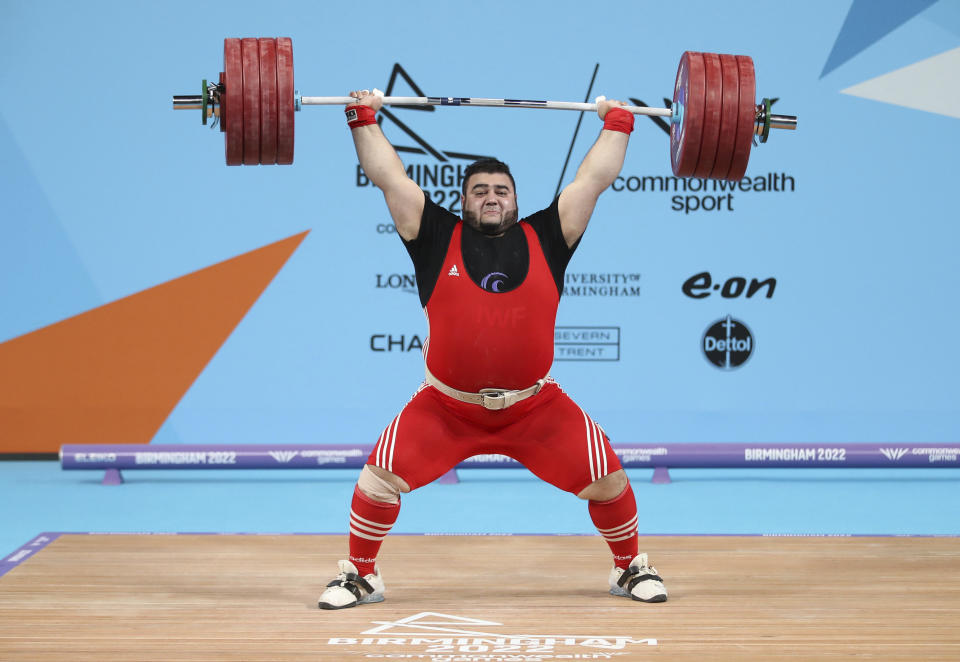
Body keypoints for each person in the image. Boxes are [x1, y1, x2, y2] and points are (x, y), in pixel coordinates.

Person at [318, 88, 667, 609]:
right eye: (479, 190)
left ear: (516, 200)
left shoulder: (548, 236)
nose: (490, 197)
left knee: (610, 481)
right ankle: (361, 576)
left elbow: (593, 180)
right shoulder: (434, 235)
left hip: (535, 407)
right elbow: (389, 176)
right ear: (463, 200)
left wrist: (618, 123)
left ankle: (628, 567)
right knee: (376, 480)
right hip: (447, 408)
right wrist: (362, 116)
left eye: (501, 190)